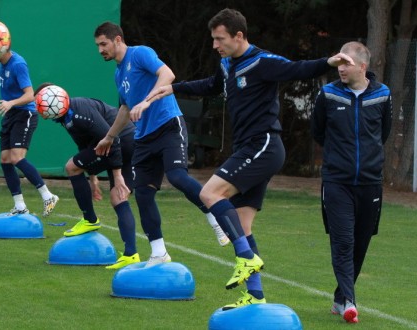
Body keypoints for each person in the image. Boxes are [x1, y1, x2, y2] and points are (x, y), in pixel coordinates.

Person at [145, 8, 354, 310]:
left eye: (220, 39)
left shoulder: (263, 62)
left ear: (239, 36)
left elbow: (298, 68)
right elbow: (211, 85)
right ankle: (255, 296)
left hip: (264, 145)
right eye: (214, 39)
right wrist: (172, 89)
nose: (215, 45)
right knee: (242, 226)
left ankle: (247, 258)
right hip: (247, 148)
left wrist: (329, 62)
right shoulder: (227, 63)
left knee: (209, 193)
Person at [93, 21, 230, 269]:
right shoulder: (117, 73)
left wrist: (146, 102)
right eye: (98, 46)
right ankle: (159, 252)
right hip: (144, 138)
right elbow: (125, 108)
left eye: (103, 44)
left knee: (177, 176)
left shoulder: (140, 53)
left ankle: (215, 218)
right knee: (143, 194)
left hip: (168, 125)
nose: (101, 49)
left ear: (117, 40)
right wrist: (109, 137)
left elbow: (168, 75)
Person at [311, 41, 391, 324]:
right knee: (343, 241)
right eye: (338, 63)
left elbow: (382, 133)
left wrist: (368, 160)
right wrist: (339, 158)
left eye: (345, 63)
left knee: (360, 243)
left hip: (370, 183)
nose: (340, 68)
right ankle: (349, 301)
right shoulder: (328, 94)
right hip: (337, 182)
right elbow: (317, 131)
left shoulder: (383, 95)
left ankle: (338, 297)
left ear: (362, 67)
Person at [36, 83, 139, 269]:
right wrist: (92, 177)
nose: (40, 109)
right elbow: (85, 147)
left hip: (124, 142)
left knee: (71, 167)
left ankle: (90, 220)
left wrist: (117, 176)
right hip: (119, 143)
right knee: (118, 197)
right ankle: (131, 254)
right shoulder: (65, 117)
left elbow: (112, 140)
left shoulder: (79, 111)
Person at [0, 48, 58, 216]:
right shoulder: (2, 63)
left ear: (2, 48)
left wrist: (10, 103)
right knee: (5, 160)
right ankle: (20, 206)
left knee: (16, 158)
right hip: (10, 114)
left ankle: (48, 196)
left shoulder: (18, 64)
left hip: (24, 113)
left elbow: (30, 95)